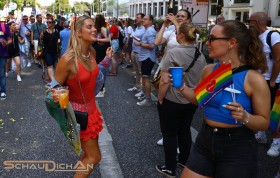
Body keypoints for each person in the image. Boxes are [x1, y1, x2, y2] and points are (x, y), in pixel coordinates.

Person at [170, 20, 270, 178]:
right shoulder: (210, 70)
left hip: (238, 147)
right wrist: (180, 86)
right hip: (205, 140)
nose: (207, 43)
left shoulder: (253, 78)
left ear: (231, 42)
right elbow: (198, 100)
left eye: (212, 39)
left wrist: (246, 117)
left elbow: (264, 122)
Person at [52, 15, 112, 178]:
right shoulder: (68, 59)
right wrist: (58, 95)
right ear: (78, 32)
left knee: (87, 155)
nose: (94, 29)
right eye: (89, 27)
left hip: (92, 112)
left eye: (94, 26)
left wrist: (107, 60)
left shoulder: (90, 52)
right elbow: (52, 88)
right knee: (95, 156)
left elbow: (94, 77)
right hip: (78, 116)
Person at [156, 22, 206, 177]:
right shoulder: (200, 54)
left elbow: (164, 80)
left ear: (181, 35)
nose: (175, 35)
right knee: (184, 130)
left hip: (173, 99)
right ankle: (184, 160)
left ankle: (169, 167)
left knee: (169, 133)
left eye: (177, 32)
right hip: (191, 100)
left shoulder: (173, 53)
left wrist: (160, 98)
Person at [154, 9, 192, 146]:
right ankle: (168, 135)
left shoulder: (191, 32)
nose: (179, 18)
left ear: (188, 20)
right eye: (178, 16)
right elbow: (157, 42)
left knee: (179, 104)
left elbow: (184, 41)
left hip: (184, 73)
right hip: (168, 70)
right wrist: (164, 25)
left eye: (183, 16)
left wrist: (176, 23)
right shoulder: (171, 30)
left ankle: (178, 141)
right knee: (167, 106)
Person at [248, 12, 280, 157]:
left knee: (273, 113)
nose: (248, 23)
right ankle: (261, 134)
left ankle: (276, 141)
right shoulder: (254, 37)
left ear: (256, 22)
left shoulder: (272, 35)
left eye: (250, 21)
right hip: (260, 79)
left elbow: (279, 59)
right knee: (260, 108)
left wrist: (273, 80)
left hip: (272, 81)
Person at [134, 15, 157, 106]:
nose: (143, 20)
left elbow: (152, 46)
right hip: (145, 57)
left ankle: (148, 100)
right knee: (144, 77)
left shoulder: (150, 30)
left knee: (146, 78)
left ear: (151, 21)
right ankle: (146, 95)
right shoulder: (148, 30)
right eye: (143, 19)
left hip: (148, 57)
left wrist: (139, 43)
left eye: (145, 19)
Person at [92, 14, 110, 98]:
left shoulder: (103, 28)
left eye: (95, 19)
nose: (94, 20)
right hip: (98, 50)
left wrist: (97, 39)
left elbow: (108, 39)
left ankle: (101, 89)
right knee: (97, 69)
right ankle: (101, 87)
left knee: (100, 69)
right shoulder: (98, 29)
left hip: (101, 51)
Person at [127, 13, 145, 93]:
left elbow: (145, 41)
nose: (135, 19)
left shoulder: (144, 29)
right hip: (134, 52)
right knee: (137, 71)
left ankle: (142, 89)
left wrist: (139, 41)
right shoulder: (136, 28)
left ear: (142, 19)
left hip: (140, 53)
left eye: (137, 18)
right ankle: (137, 86)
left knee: (141, 72)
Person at [0, 16, 12, 100]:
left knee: (1, 73)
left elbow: (10, 39)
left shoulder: (4, 26)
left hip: (2, 54)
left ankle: (3, 91)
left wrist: (6, 43)